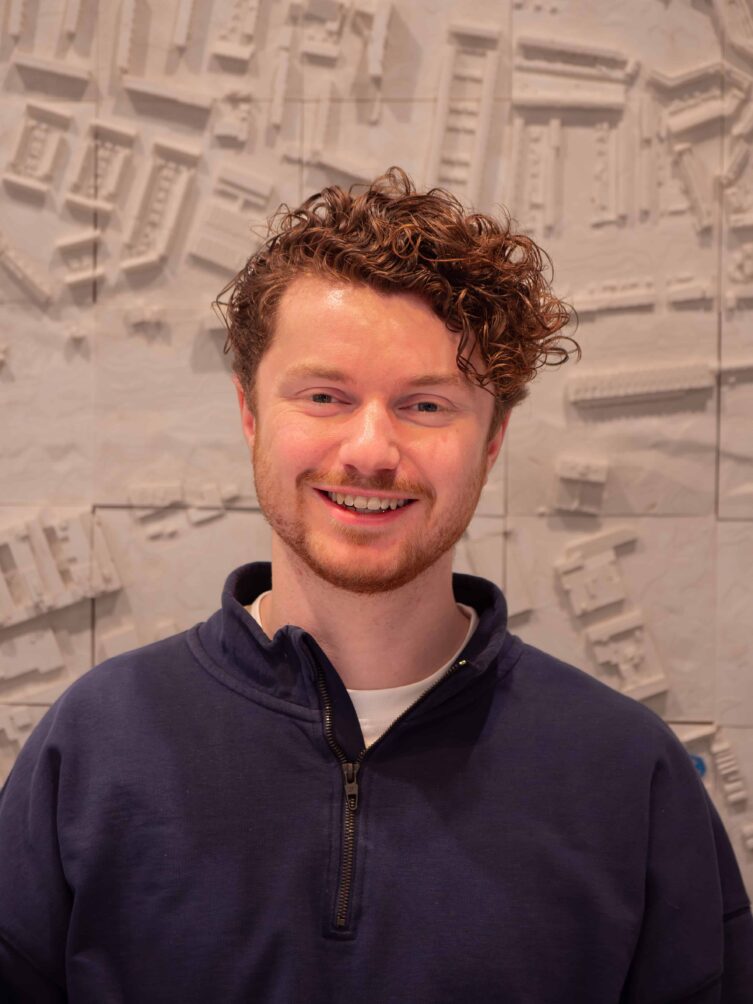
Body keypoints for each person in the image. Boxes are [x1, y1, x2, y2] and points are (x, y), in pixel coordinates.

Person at [0, 168, 751, 1003]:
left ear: (492, 440)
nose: (369, 451)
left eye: (425, 406)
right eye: (324, 396)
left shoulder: (627, 774)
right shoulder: (95, 744)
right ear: (250, 414)